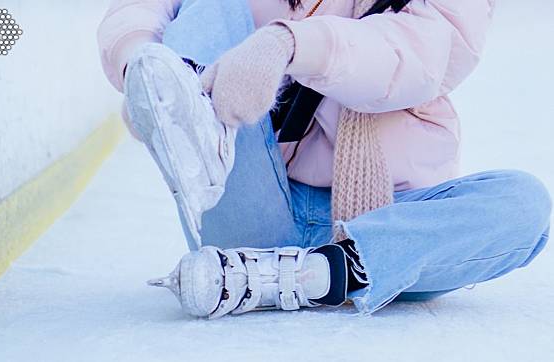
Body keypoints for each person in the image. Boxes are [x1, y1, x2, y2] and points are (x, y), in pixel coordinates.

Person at [97, 0, 552, 319]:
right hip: (252, 204)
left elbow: (414, 56)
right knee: (208, 5)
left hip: (389, 231)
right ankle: (191, 116)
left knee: (522, 203)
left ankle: (320, 272)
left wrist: (290, 46)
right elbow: (150, 8)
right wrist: (147, 68)